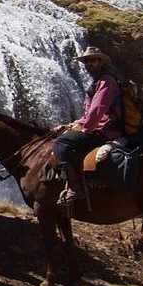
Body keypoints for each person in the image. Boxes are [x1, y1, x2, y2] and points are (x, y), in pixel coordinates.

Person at [52, 46, 124, 206]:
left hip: (106, 131)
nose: (89, 64)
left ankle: (75, 188)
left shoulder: (106, 81)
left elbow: (97, 112)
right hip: (99, 128)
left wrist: (83, 129)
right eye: (86, 61)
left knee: (61, 143)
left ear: (101, 62)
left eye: (93, 60)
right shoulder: (98, 82)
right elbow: (88, 115)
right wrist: (69, 125)